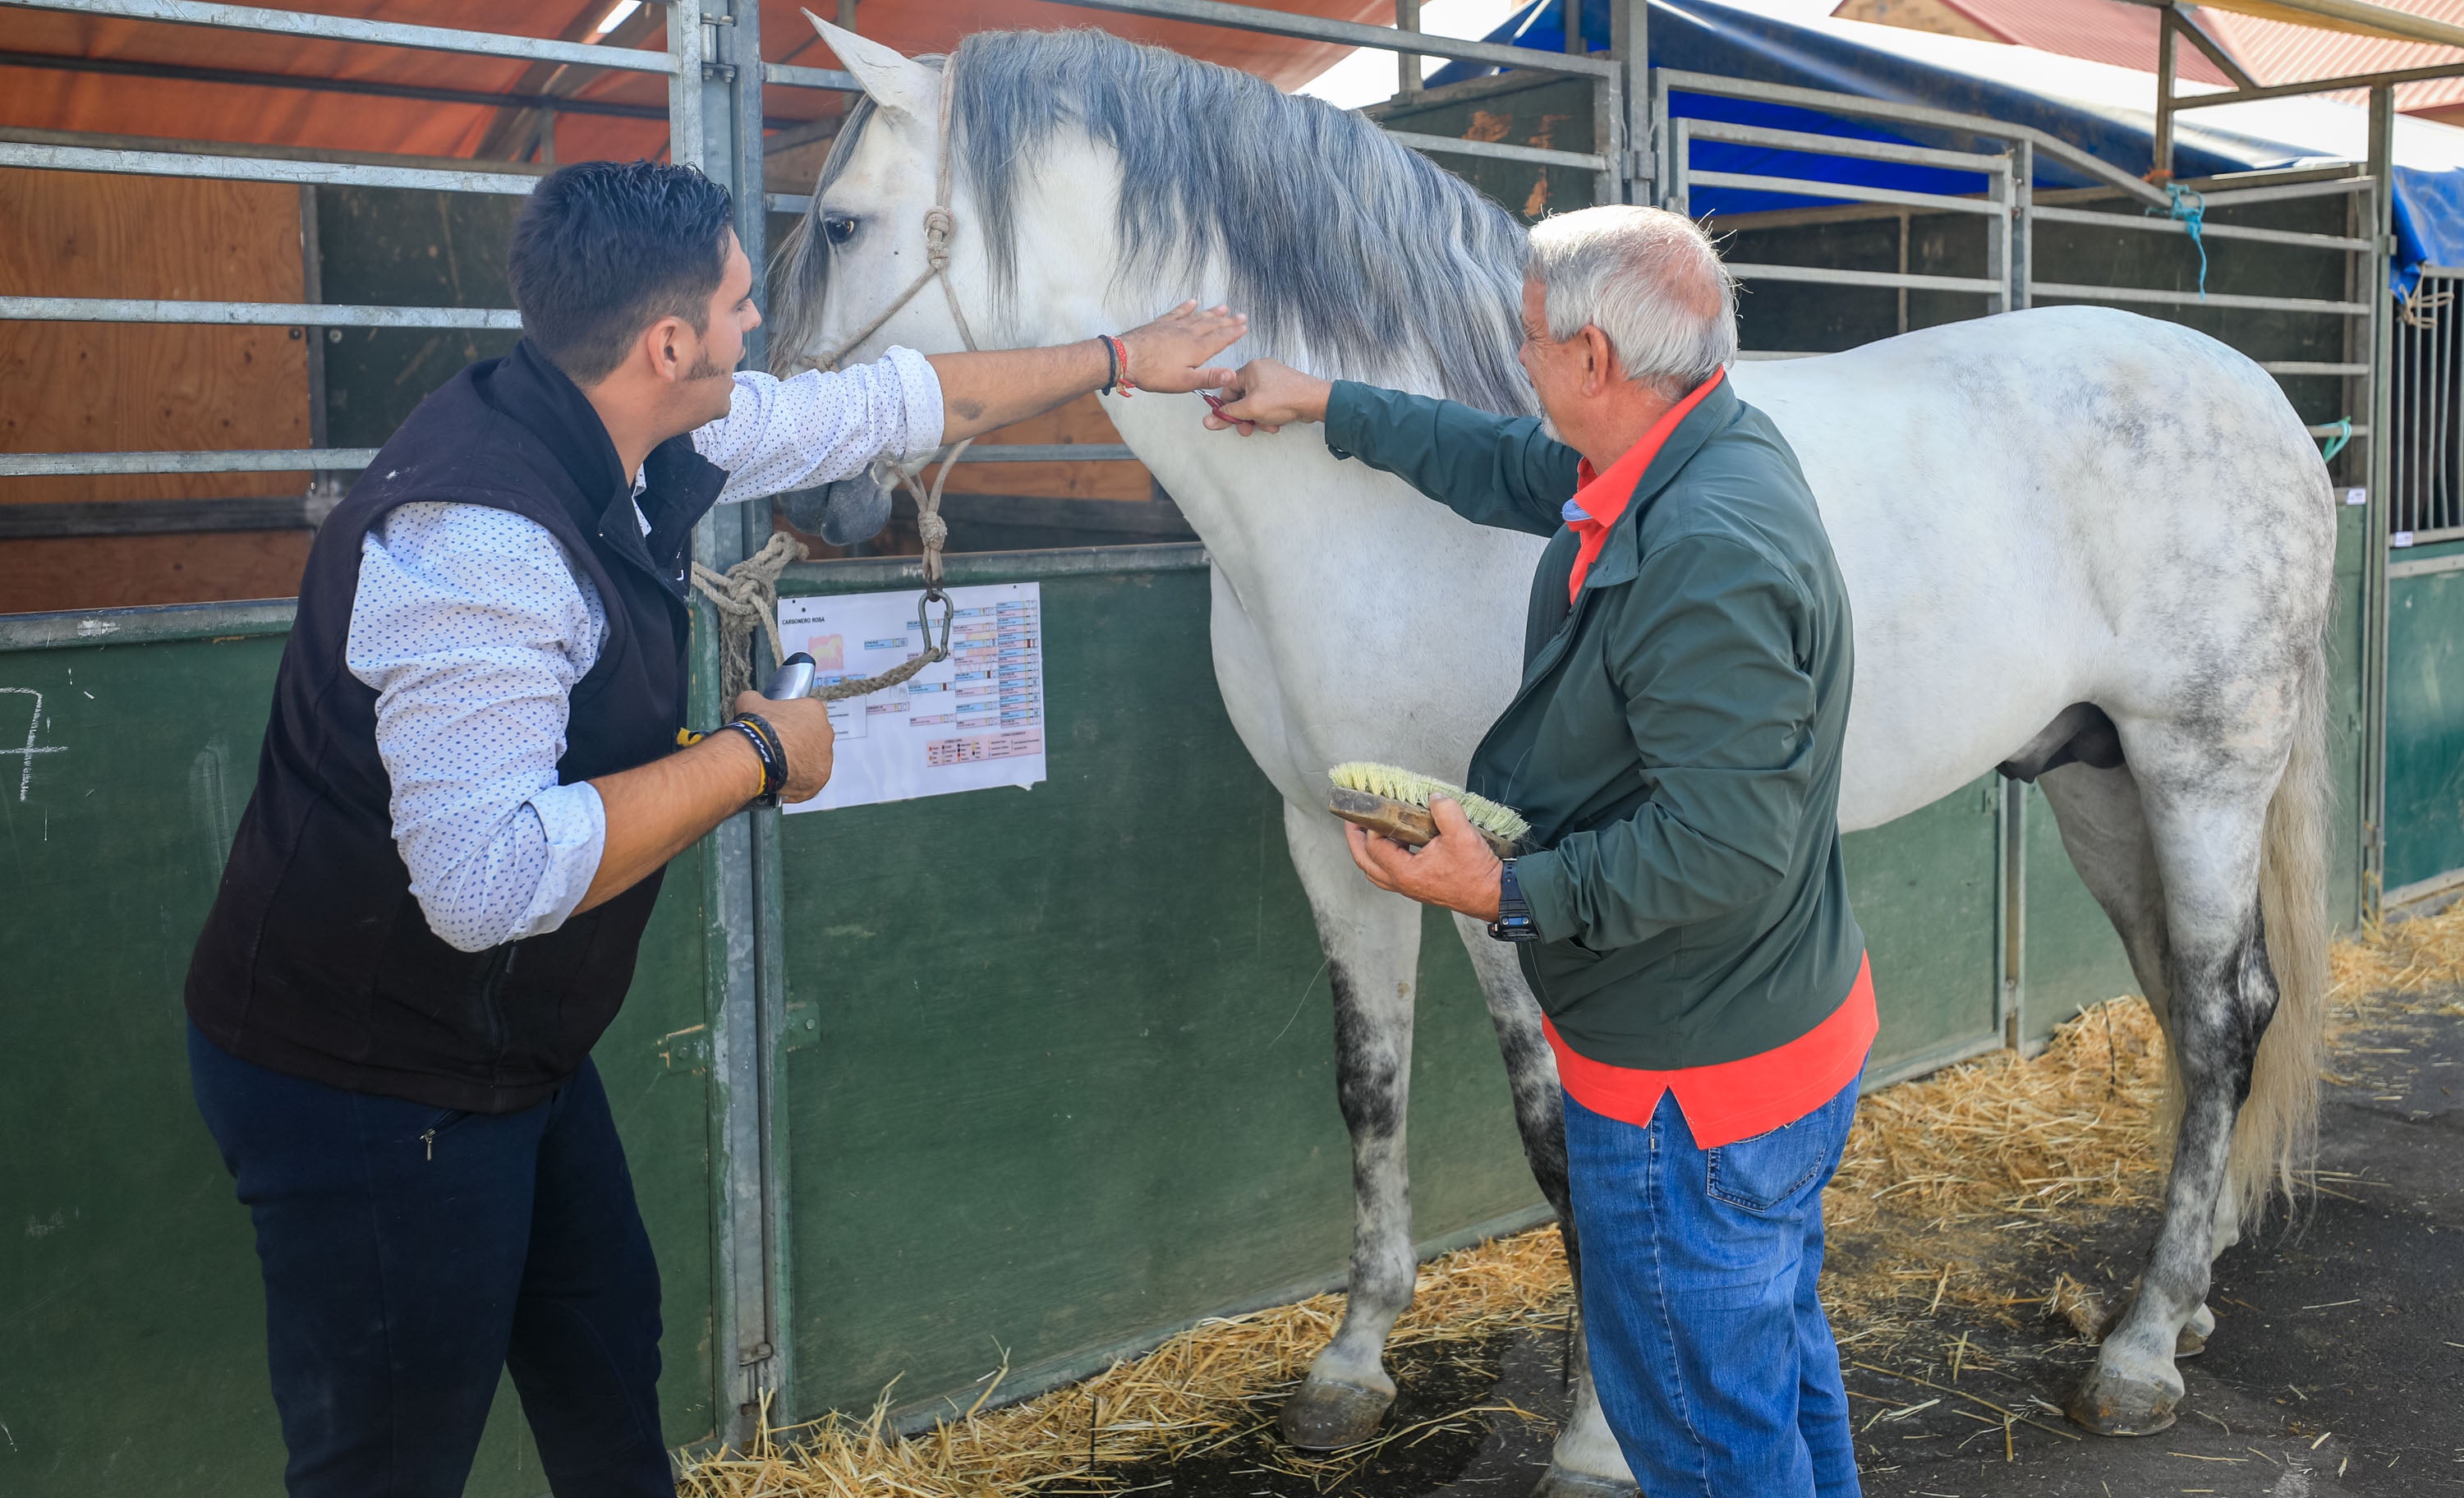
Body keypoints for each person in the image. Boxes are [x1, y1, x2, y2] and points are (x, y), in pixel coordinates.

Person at [182, 158, 1243, 1497]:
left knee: (608, 1374)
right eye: (745, 308)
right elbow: (482, 879)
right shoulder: (481, 546)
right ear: (667, 340)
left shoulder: (630, 424)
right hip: (369, 1082)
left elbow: (889, 405)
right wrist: (754, 755)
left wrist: (1116, 357)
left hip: (514, 1053)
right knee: (384, 1467)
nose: (761, 332)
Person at [1208, 204, 1869, 1498]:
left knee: (1699, 1434)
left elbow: (1725, 846)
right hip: (1762, 1042)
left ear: (1595, 361)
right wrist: (1327, 403)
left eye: (1526, 338)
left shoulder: (1703, 550)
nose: (1516, 358)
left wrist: (1501, 890)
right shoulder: (1691, 446)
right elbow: (1508, 461)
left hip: (1692, 1088)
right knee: (1773, 1381)